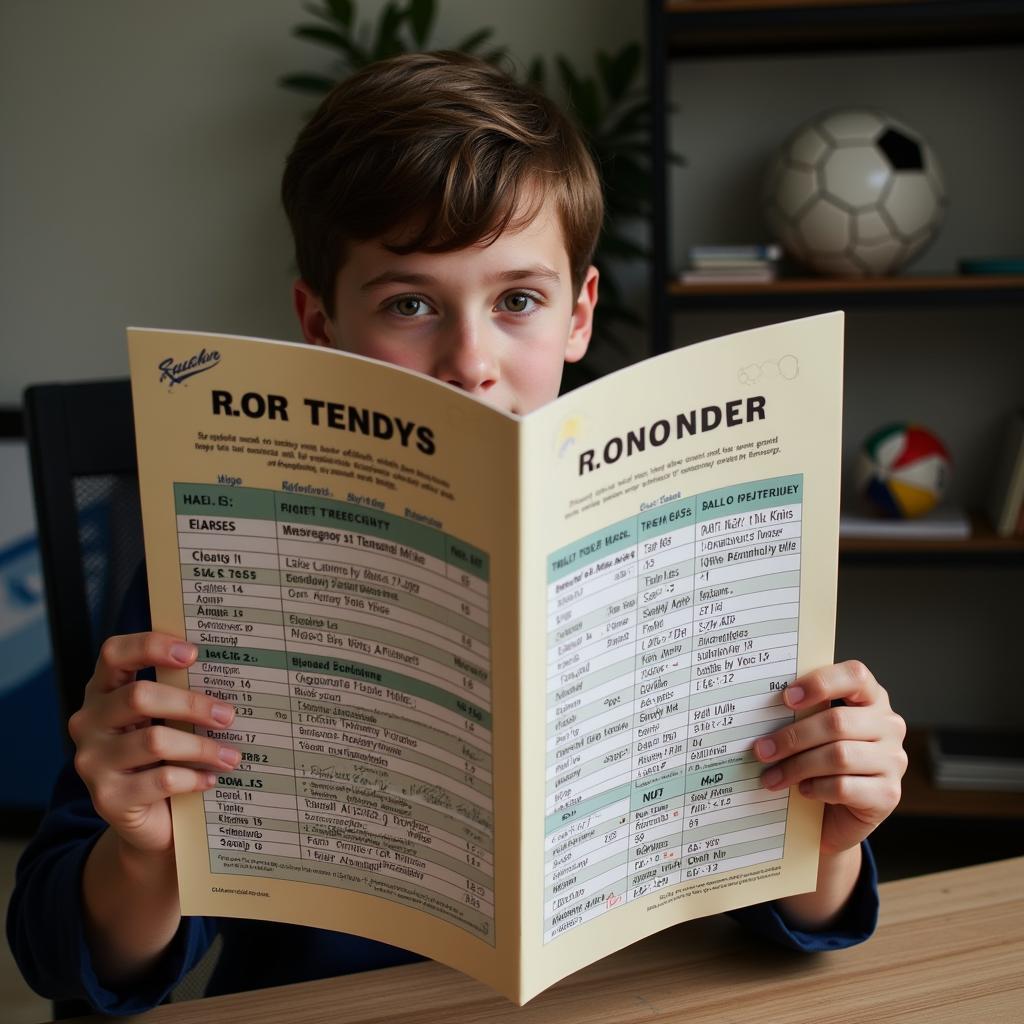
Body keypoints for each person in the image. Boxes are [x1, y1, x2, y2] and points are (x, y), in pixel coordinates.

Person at [7, 51, 907, 1016]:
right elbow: (67, 960)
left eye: (518, 300)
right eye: (410, 304)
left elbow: (796, 918)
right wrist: (144, 854)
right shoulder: (228, 544)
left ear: (578, 314)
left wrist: (832, 837)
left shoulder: (686, 547)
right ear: (320, 321)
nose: (470, 361)